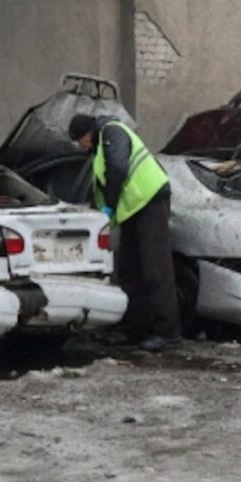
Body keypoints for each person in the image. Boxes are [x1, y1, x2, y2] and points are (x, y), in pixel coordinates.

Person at [68, 113, 181, 352]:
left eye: (79, 141)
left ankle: (167, 332)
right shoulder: (100, 146)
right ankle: (132, 328)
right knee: (129, 269)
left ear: (87, 133)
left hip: (150, 200)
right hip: (133, 208)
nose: (80, 146)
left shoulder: (112, 132)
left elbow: (118, 169)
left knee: (155, 268)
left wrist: (109, 205)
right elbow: (101, 185)